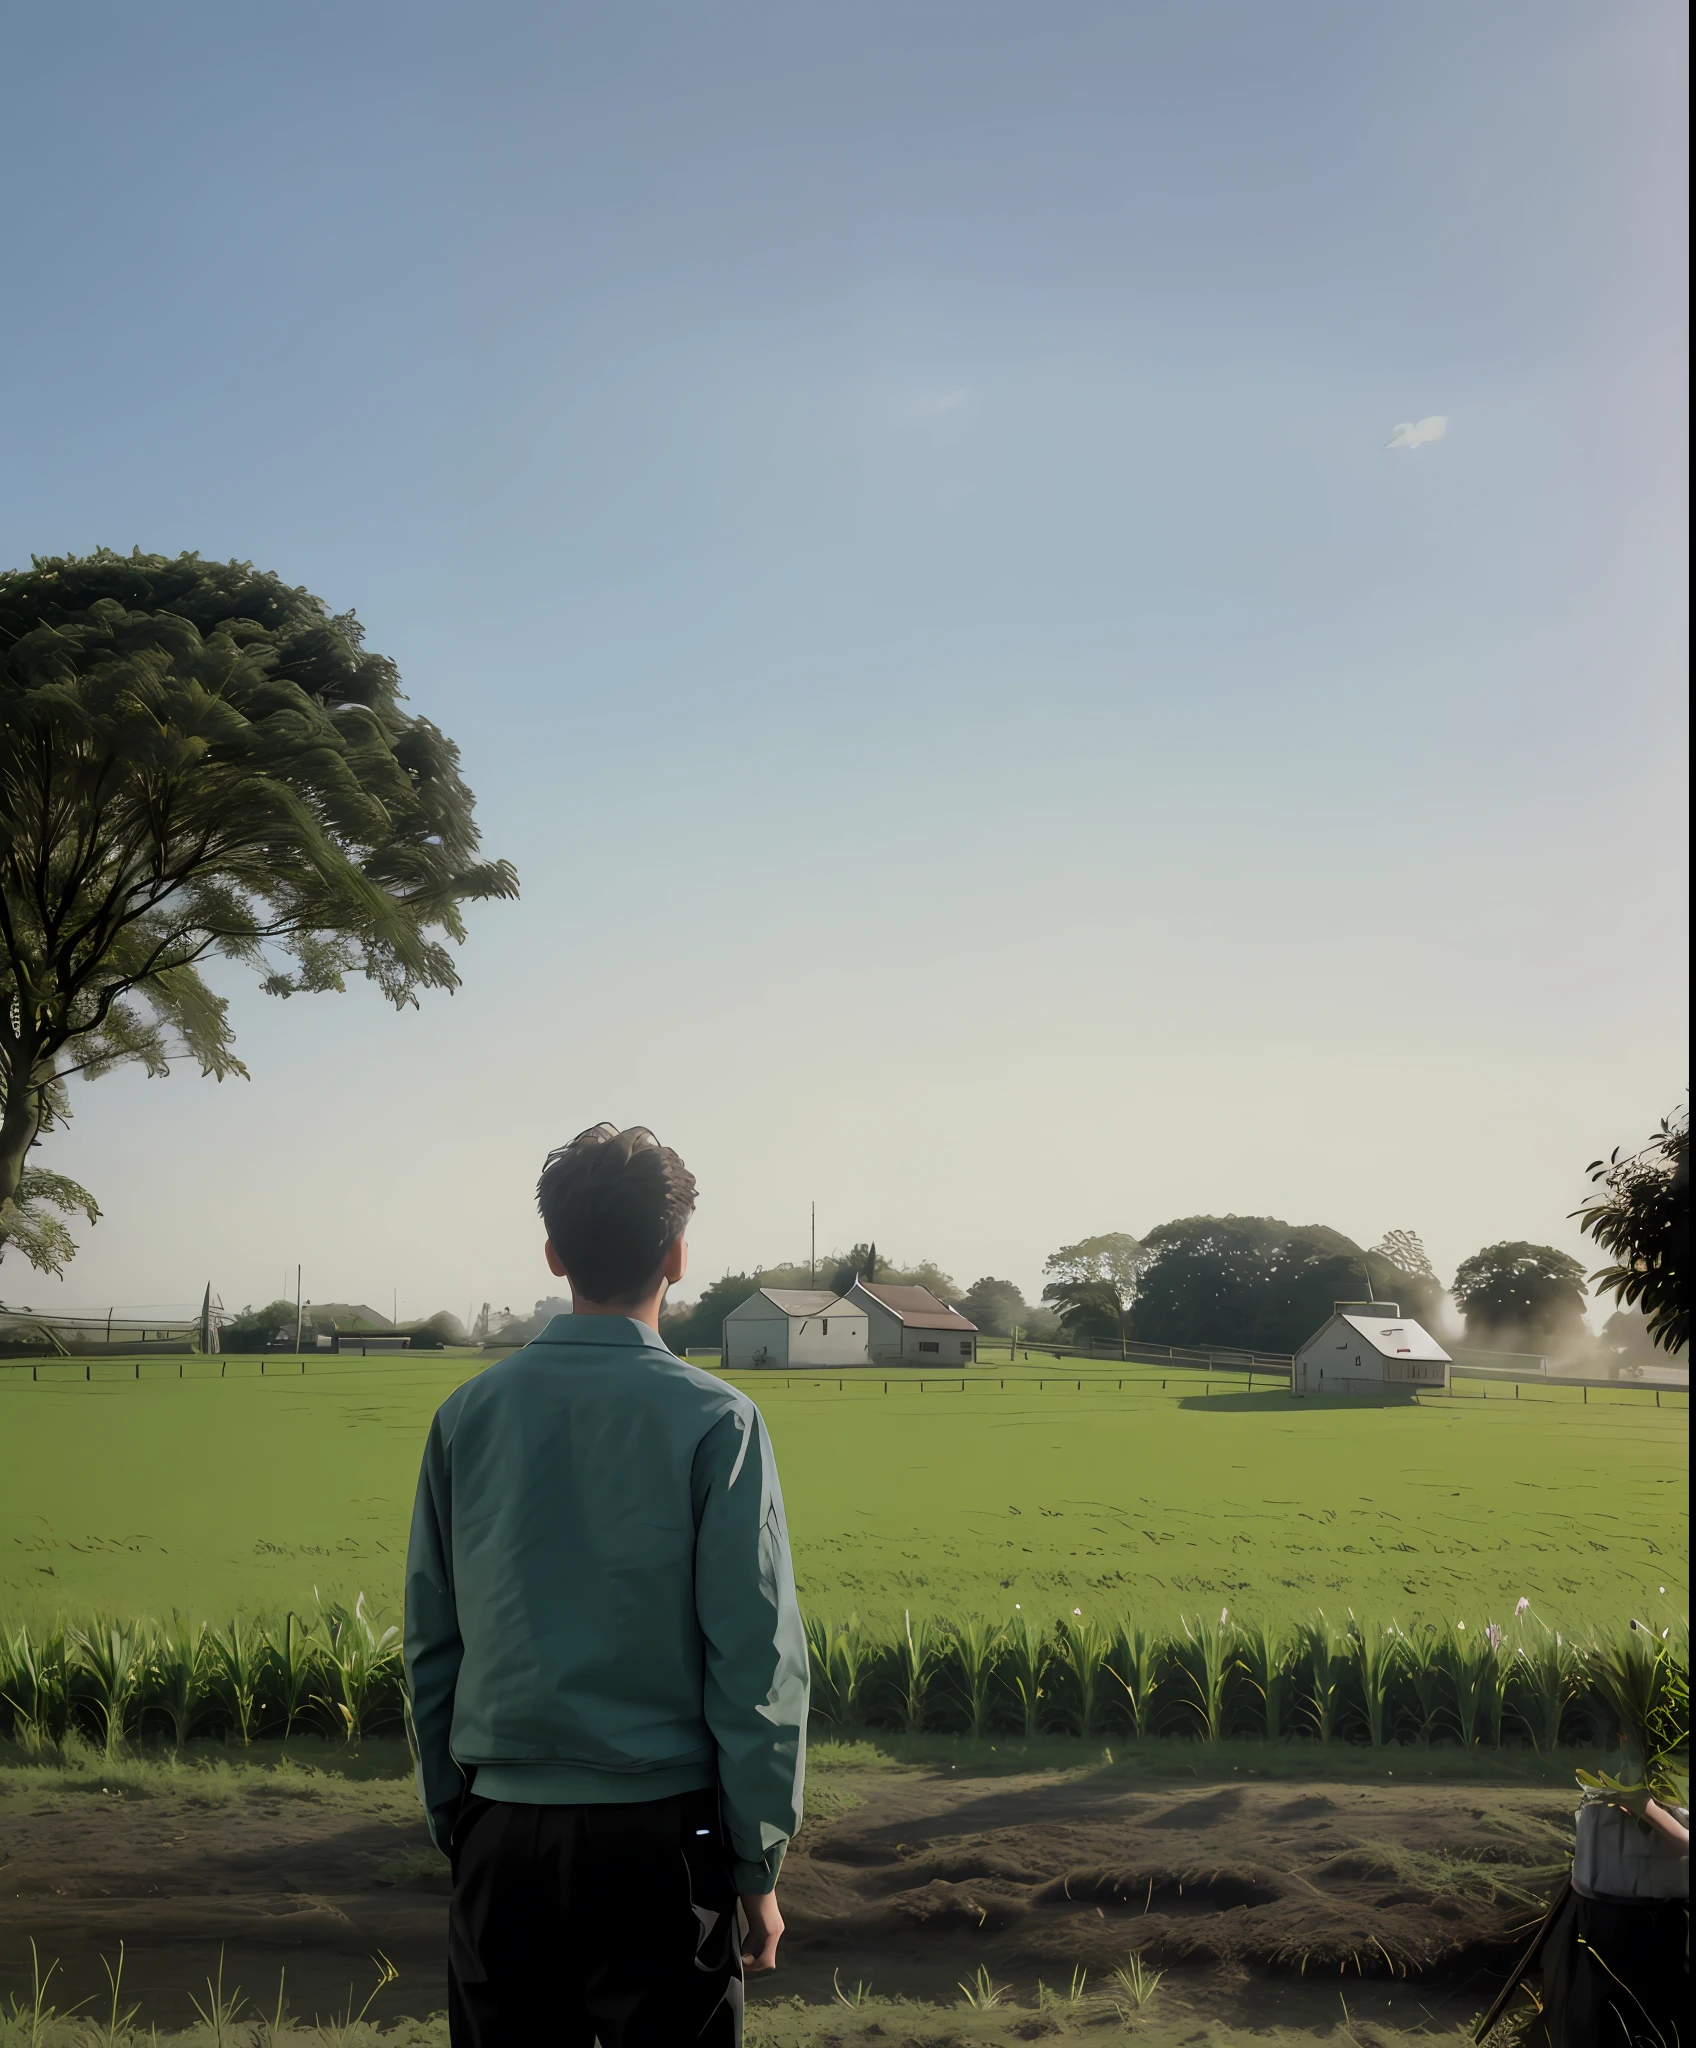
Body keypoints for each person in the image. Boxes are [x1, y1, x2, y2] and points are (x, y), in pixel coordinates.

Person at [404, 1124, 808, 2046]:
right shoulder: (719, 1424)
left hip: (499, 1833)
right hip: (661, 1845)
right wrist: (756, 1864)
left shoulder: (465, 1417)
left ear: (552, 1253)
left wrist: (454, 1821)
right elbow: (756, 1661)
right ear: (678, 1256)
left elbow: (432, 1639)